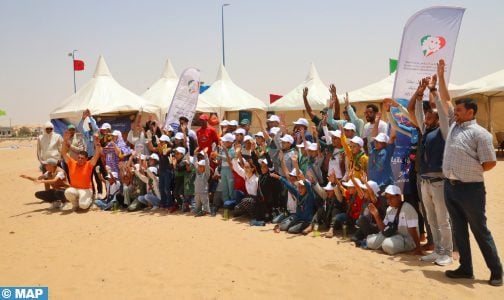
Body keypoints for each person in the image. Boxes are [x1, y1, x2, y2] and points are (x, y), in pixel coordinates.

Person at [441, 67, 502, 284]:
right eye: (455, 110)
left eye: (459, 110)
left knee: (480, 230)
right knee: (459, 230)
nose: (454, 113)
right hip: (451, 187)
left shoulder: (481, 134)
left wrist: (469, 173)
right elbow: (445, 99)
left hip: (471, 189)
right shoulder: (454, 125)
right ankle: (465, 268)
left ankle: (496, 271)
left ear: (471, 112)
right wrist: (440, 77)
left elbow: (490, 163)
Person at [407, 73, 454, 267]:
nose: (426, 118)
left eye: (430, 116)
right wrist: (419, 95)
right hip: (425, 181)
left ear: (437, 119)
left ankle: (448, 252)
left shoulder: (443, 131)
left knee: (443, 220)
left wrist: (433, 90)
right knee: (431, 219)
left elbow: (443, 114)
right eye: (426, 116)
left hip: (439, 183)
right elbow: (418, 113)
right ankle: (437, 251)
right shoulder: (425, 131)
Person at [366, 185, 423, 255]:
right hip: (392, 236)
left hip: (406, 239)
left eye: (391, 197)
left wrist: (418, 248)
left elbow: (413, 230)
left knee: (387, 246)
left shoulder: (407, 208)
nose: (389, 200)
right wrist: (376, 215)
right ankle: (384, 243)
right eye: (387, 198)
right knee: (370, 242)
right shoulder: (389, 209)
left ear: (399, 197)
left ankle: (385, 244)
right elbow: (384, 230)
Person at [61, 130, 102, 212]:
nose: (79, 159)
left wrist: (97, 144)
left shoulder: (89, 164)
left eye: (82, 158)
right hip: (75, 189)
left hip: (86, 190)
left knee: (83, 206)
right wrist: (65, 140)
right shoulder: (72, 163)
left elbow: (97, 155)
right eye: (79, 157)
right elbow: (64, 153)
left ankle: (90, 200)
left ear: (86, 159)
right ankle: (75, 204)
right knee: (68, 192)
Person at [193, 148, 211, 216]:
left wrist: (206, 155)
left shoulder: (206, 174)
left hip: (204, 193)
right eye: (199, 166)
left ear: (204, 167)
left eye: (201, 166)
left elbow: (207, 165)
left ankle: (206, 211)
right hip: (197, 192)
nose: (199, 167)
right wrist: (194, 155)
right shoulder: (197, 173)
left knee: (206, 207)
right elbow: (195, 164)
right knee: (196, 208)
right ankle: (198, 210)